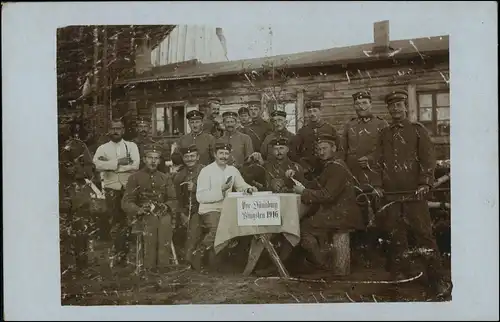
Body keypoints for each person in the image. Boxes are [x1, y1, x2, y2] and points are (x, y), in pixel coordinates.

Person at [372, 89, 452, 298]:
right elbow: (377, 162)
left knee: (424, 235)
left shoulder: (418, 130)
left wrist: (425, 182)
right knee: (395, 235)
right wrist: (378, 185)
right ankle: (401, 277)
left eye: (399, 105)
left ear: (405, 107)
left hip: (415, 194)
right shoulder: (384, 133)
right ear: (388, 109)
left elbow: (428, 160)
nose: (395, 109)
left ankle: (437, 279)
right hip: (391, 194)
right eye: (392, 106)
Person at [293, 134, 364, 270]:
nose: (321, 152)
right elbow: (315, 184)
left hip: (342, 215)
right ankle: (325, 259)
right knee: (307, 222)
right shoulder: (331, 165)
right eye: (319, 149)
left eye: (324, 148)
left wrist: (303, 192)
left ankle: (322, 262)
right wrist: (296, 176)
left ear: (334, 148)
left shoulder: (336, 167)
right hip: (338, 212)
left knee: (302, 228)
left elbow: (327, 195)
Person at [342, 91, 389, 267]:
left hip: (375, 177)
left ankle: (382, 253)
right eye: (358, 103)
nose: (361, 106)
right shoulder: (350, 126)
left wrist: (371, 158)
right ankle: (361, 253)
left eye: (364, 103)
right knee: (358, 214)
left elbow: (387, 149)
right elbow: (343, 150)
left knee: (380, 212)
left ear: (371, 104)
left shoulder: (381, 124)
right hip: (355, 177)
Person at [195, 142, 258, 270]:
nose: (224, 156)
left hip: (227, 209)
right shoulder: (206, 171)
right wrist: (220, 191)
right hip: (209, 209)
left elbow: (241, 186)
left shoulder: (232, 170)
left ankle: (221, 262)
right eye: (221, 153)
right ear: (214, 154)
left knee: (241, 228)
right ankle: (198, 254)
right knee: (217, 229)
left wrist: (249, 189)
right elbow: (200, 197)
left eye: (226, 153)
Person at [93, 119, 140, 266]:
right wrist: (119, 162)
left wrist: (109, 165)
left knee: (129, 221)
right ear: (109, 130)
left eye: (118, 128)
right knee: (115, 222)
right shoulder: (102, 148)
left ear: (123, 130)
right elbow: (96, 164)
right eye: (112, 128)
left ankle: (127, 253)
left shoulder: (131, 146)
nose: (115, 131)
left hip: (128, 188)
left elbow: (136, 165)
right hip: (111, 189)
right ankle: (119, 254)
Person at [121, 144, 176, 272]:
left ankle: (163, 267)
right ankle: (149, 268)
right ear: (144, 159)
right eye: (150, 158)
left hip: (162, 213)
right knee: (151, 223)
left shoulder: (165, 177)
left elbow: (173, 199)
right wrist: (138, 209)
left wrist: (166, 206)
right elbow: (127, 202)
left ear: (160, 160)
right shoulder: (134, 178)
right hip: (142, 215)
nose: (153, 161)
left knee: (165, 222)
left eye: (156, 158)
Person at [59, 121, 96, 273]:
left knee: (80, 230)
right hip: (56, 196)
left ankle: (82, 265)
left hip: (77, 196)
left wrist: (75, 171)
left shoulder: (79, 146)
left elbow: (90, 169)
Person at [289, 101, 342, 180]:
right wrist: (303, 165)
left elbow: (339, 148)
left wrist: (333, 164)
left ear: (320, 111)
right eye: (309, 111)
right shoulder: (302, 131)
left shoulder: (330, 129)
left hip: (327, 168)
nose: (312, 114)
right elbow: (293, 151)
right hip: (308, 171)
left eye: (315, 111)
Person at [173, 144, 204, 268]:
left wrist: (196, 188)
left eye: (192, 156)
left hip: (203, 208)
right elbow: (177, 199)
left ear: (198, 157)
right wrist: (182, 215)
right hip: (186, 211)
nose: (189, 159)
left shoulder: (205, 171)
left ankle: (189, 260)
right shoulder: (179, 176)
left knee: (194, 224)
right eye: (186, 157)